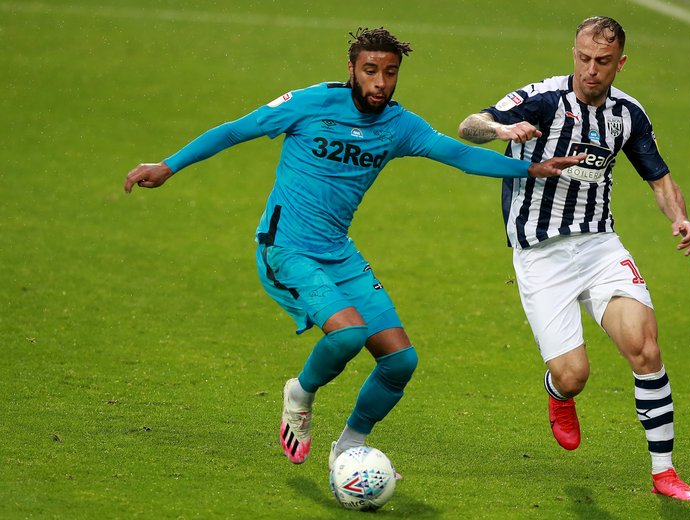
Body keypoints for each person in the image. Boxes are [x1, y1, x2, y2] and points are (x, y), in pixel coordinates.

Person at [123, 27, 582, 472]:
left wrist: (530, 170)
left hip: (338, 253)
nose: (380, 82)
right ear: (351, 69)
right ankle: (299, 395)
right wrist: (169, 165)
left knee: (400, 361)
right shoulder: (310, 103)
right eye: (370, 71)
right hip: (287, 248)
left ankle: (350, 445)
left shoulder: (399, 125)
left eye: (390, 72)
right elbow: (233, 131)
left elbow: (458, 155)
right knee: (347, 335)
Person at [457, 16, 690, 501]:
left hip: (599, 247)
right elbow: (469, 125)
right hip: (541, 254)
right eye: (584, 58)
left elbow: (659, 178)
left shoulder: (627, 114)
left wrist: (680, 218)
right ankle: (558, 392)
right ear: (574, 53)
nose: (591, 70)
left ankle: (664, 472)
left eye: (603, 62)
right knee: (574, 376)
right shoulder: (542, 99)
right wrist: (503, 127)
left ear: (620, 64)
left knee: (646, 349)